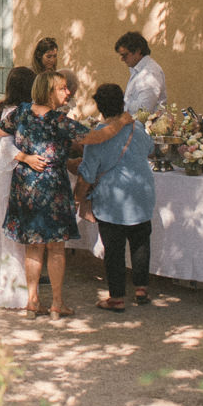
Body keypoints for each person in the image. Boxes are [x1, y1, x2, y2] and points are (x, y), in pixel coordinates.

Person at [3, 71, 131, 317]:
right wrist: (121, 123)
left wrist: (23, 155)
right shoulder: (59, 121)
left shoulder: (20, 112)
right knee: (56, 247)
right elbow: (95, 137)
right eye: (63, 88)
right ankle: (56, 303)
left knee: (33, 247)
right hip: (52, 186)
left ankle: (32, 302)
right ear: (50, 91)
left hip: (25, 184)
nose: (68, 92)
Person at [76, 83, 159, 310]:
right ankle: (141, 288)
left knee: (114, 250)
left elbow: (87, 173)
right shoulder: (137, 128)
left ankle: (117, 297)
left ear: (100, 108)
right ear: (122, 103)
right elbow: (150, 147)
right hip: (142, 194)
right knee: (141, 243)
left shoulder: (98, 138)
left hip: (113, 200)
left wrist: (78, 196)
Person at [0, 66, 34, 310]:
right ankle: (14, 291)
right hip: (7, 174)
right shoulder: (19, 113)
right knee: (10, 231)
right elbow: (5, 147)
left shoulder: (1, 108)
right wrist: (27, 158)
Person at [116, 31, 167, 116]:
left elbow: (144, 110)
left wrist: (121, 104)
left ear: (138, 51)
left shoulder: (150, 73)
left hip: (144, 127)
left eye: (125, 55)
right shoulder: (137, 70)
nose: (122, 59)